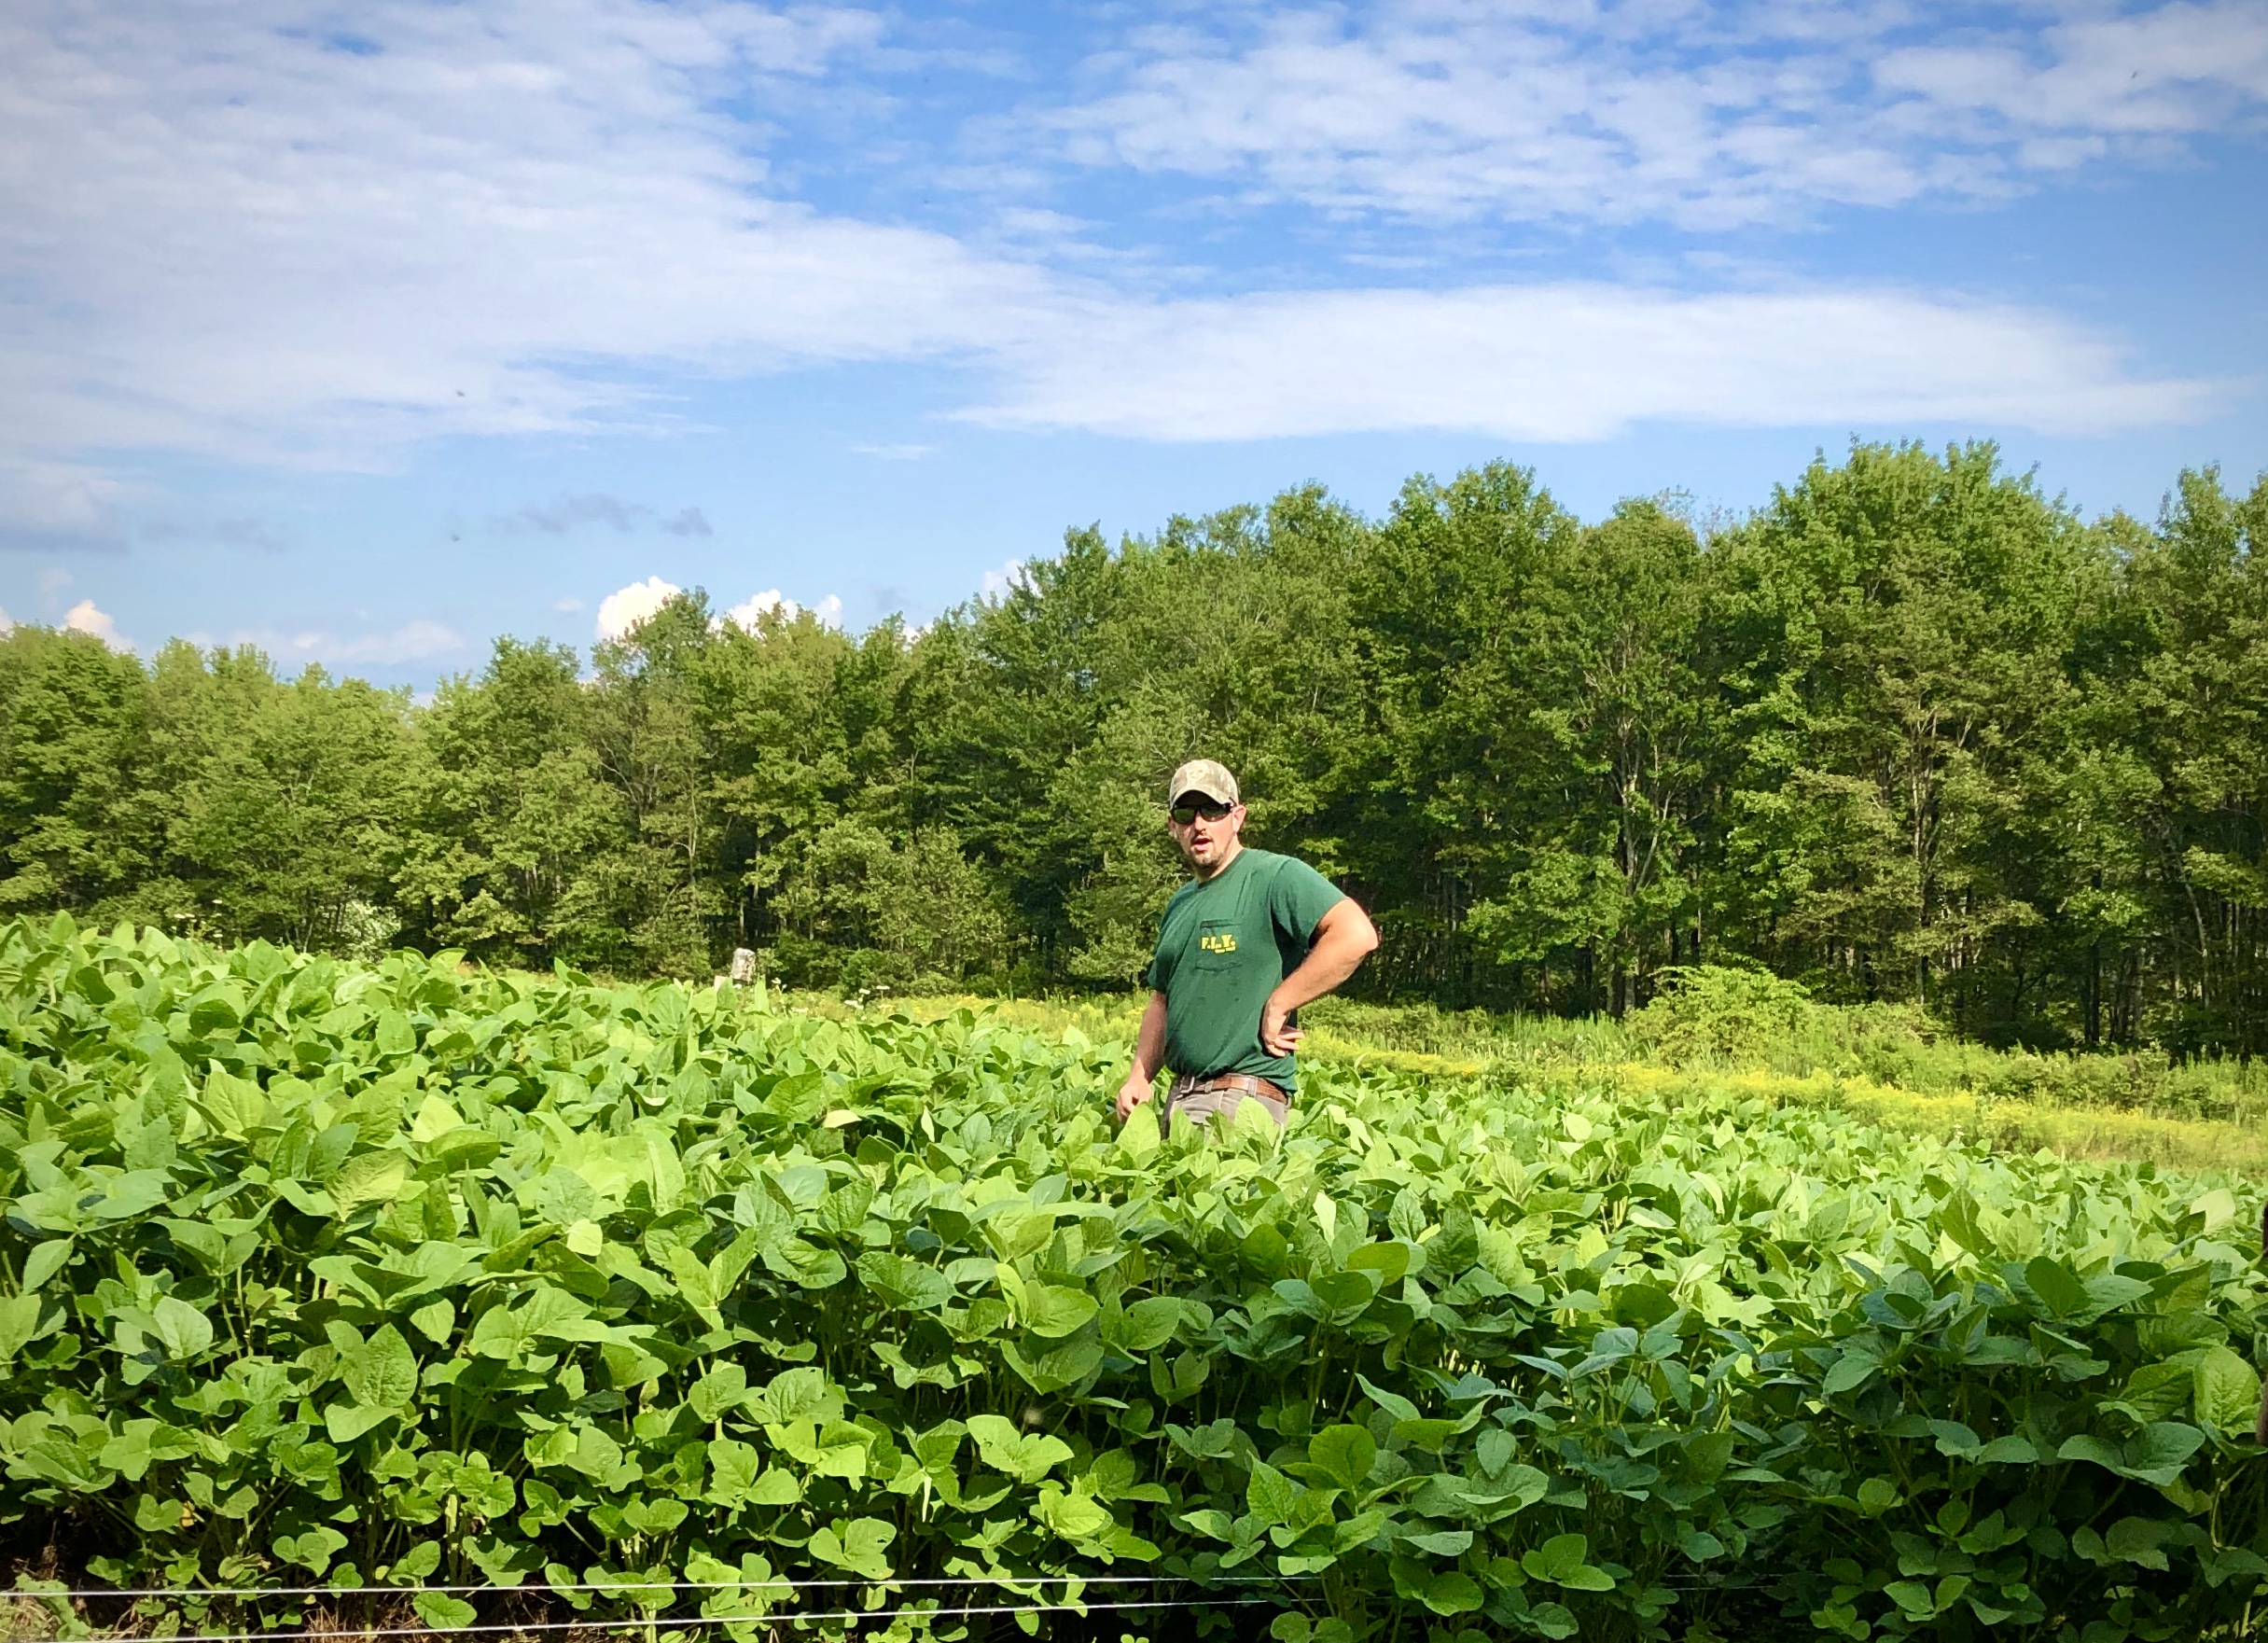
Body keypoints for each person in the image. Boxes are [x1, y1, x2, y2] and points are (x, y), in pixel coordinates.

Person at [1115, 759, 1380, 1131]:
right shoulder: (1180, 902)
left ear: (1237, 817)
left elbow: (1355, 935)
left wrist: (1280, 1002)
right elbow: (1162, 1000)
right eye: (1186, 813)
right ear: (1172, 825)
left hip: (1239, 1098)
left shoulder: (1273, 876)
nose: (1200, 824)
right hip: (1179, 1097)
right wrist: (1139, 1076)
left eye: (1212, 810)